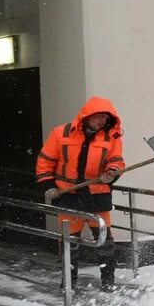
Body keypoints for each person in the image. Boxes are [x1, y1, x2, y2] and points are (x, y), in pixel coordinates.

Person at [36, 97, 126, 290]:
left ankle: (108, 281)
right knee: (70, 243)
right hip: (68, 196)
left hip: (98, 196)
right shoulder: (60, 133)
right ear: (87, 115)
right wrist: (48, 185)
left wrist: (111, 173)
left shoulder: (111, 138)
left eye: (105, 117)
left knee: (104, 242)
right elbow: (45, 162)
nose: (102, 121)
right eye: (98, 116)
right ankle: (69, 282)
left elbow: (117, 161)